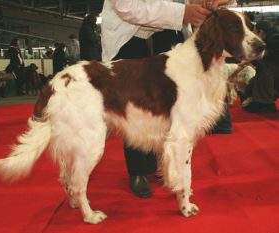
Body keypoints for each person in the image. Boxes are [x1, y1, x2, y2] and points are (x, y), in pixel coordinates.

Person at [100, 0, 234, 198]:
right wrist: (182, 13)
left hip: (173, 34)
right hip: (131, 37)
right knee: (138, 108)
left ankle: (172, 168)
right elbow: (126, 7)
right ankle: (139, 170)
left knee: (179, 111)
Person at [242, 20, 279, 113]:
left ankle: (266, 104)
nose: (253, 35)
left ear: (261, 32)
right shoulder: (272, 38)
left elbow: (271, 57)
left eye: (254, 32)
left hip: (272, 75)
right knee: (252, 84)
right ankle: (260, 102)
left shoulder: (274, 39)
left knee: (263, 65)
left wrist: (256, 57)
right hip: (272, 76)